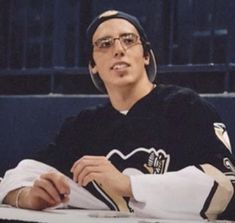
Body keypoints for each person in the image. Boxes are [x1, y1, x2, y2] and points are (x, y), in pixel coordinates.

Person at [0, 10, 235, 221]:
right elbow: (18, 175)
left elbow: (225, 185)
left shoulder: (186, 107)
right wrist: (26, 196)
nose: (118, 49)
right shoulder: (84, 126)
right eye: (104, 44)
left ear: (146, 55)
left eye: (128, 40)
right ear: (93, 65)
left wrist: (129, 184)